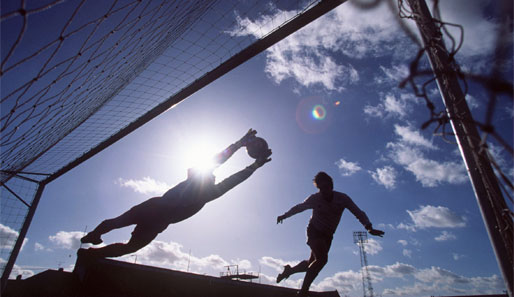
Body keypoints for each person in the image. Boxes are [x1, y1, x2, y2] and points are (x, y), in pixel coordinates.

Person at [79, 129, 271, 258]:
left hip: (153, 207)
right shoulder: (208, 192)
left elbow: (218, 162)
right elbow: (231, 178)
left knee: (117, 222)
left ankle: (93, 235)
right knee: (130, 245)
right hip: (159, 219)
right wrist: (253, 164)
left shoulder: (195, 180)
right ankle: (92, 251)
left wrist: (239, 144)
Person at [276, 172, 384, 296]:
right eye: (321, 189)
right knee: (322, 259)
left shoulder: (342, 198)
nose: (324, 191)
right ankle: (303, 292)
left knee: (311, 263)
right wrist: (285, 215)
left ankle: (289, 271)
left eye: (326, 187)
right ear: (319, 189)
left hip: (328, 235)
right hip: (314, 230)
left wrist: (369, 227)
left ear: (331, 186)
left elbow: (357, 212)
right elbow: (299, 207)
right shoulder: (315, 198)